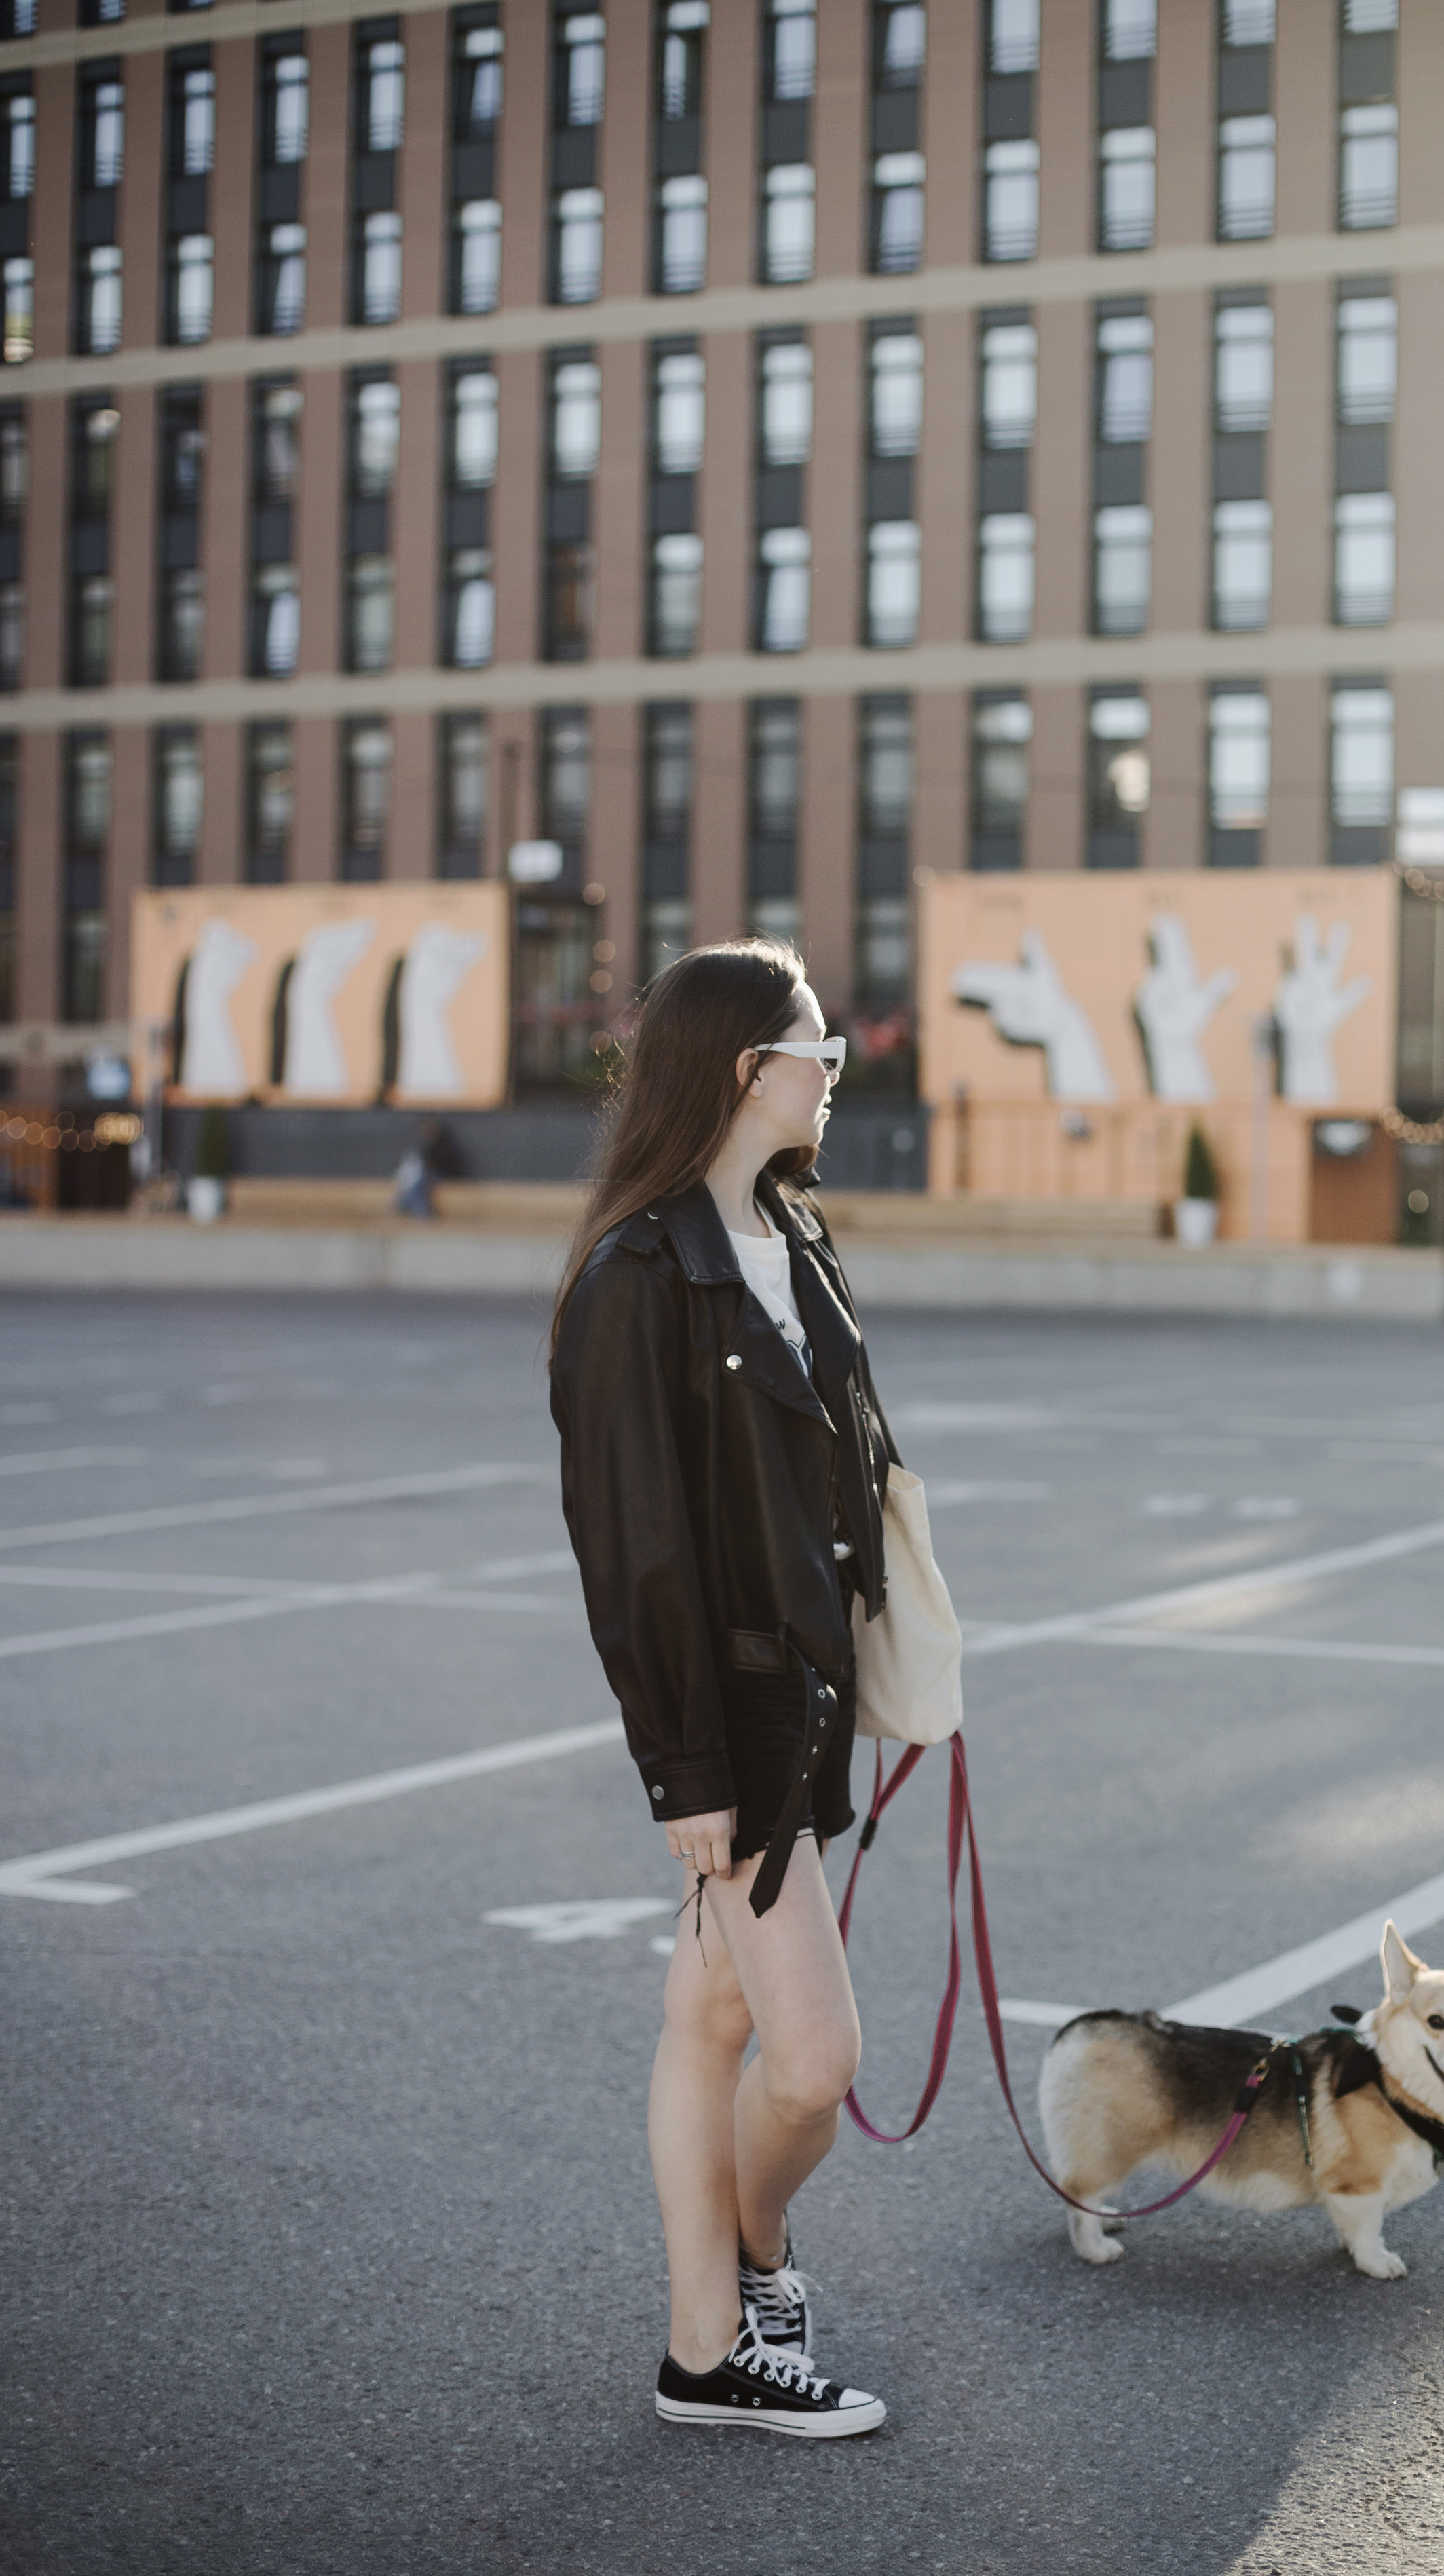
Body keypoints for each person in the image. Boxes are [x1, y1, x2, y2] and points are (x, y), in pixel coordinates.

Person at [548, 939, 897, 2439]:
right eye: (819, 1045)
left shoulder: (788, 1235)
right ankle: (748, 2271)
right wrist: (683, 1769)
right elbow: (635, 1548)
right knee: (811, 2061)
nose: (837, 1068)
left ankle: (703, 2349)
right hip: (736, 1723)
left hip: (811, 1695)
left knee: (706, 2024)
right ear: (750, 1066)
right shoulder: (638, 1277)